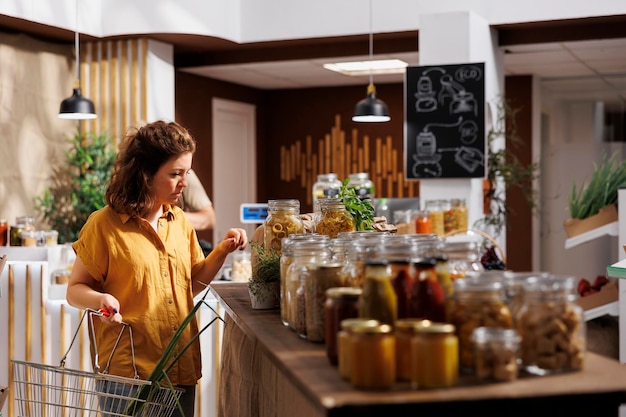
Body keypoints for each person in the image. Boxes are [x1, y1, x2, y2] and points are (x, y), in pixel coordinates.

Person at [65, 120, 248, 417]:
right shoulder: (103, 225)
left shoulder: (180, 222)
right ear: (145, 175)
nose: (184, 183)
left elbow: (193, 286)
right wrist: (101, 300)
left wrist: (222, 251)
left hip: (179, 368)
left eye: (186, 173)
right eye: (175, 174)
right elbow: (74, 291)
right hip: (129, 376)